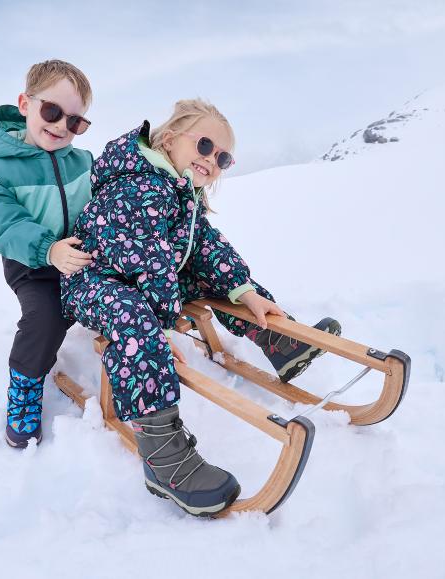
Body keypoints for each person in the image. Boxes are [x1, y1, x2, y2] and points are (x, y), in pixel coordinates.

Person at [61, 99, 341, 516]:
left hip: (145, 275)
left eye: (223, 157)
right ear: (171, 140)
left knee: (217, 275)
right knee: (135, 323)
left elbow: (207, 248)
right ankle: (164, 460)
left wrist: (245, 291)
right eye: (205, 146)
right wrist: (159, 333)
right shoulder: (137, 183)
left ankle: (277, 341)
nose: (212, 160)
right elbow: (147, 261)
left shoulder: (182, 192)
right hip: (96, 281)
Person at [0, 60, 95, 449]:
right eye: (52, 112)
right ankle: (25, 388)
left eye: (75, 121)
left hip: (78, 255)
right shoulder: (0, 172)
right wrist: (47, 249)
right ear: (25, 103)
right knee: (46, 317)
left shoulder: (83, 163)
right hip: (31, 264)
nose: (61, 127)